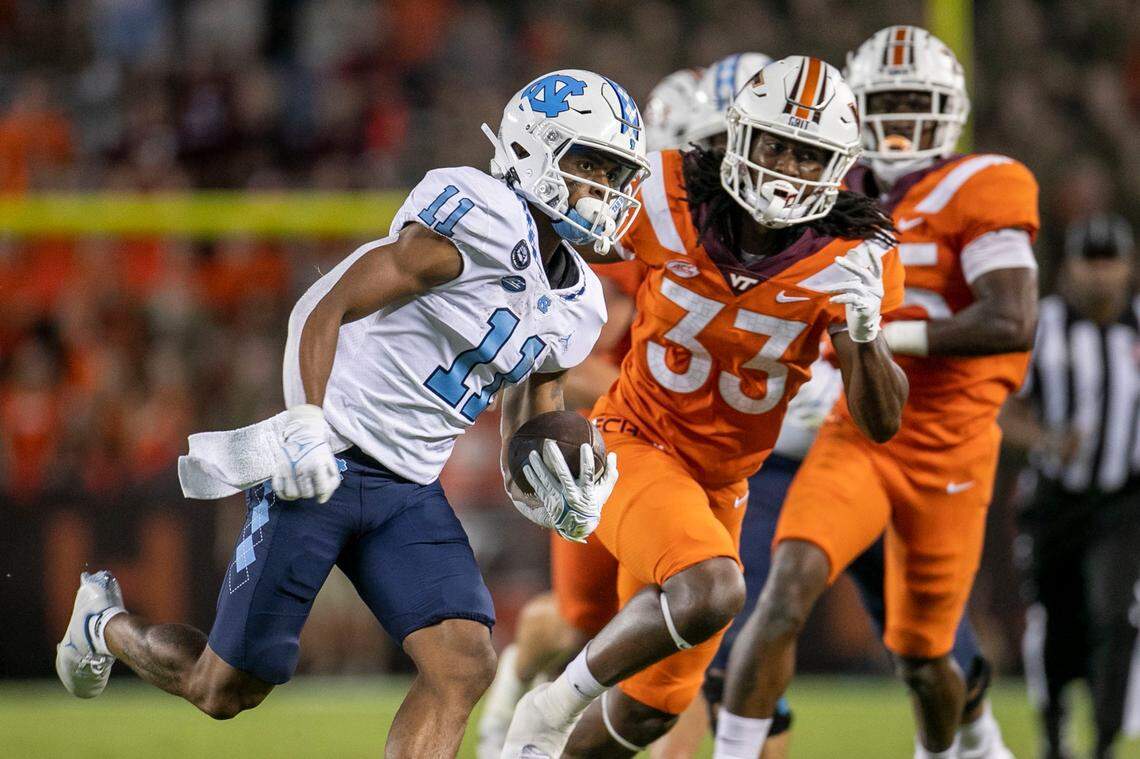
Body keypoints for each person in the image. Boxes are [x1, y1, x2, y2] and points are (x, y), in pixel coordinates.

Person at [53, 68, 648, 758]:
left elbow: (533, 412)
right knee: (224, 688)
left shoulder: (581, 305)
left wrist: (550, 492)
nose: (605, 188)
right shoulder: (480, 221)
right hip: (326, 459)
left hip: (410, 488)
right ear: (533, 148)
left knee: (462, 663)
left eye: (614, 172)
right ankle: (104, 625)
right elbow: (324, 302)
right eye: (590, 164)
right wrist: (305, 421)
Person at [500, 55, 910, 758]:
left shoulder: (852, 254)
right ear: (739, 135)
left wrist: (867, 335)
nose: (786, 168)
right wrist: (528, 400)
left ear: (838, 167)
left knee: (649, 713)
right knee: (715, 587)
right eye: (775, 144)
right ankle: (548, 709)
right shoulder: (667, 194)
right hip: (634, 439)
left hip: (723, 484)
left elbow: (881, 421)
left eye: (808, 155)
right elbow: (552, 259)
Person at [714, 26, 1039, 759]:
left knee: (926, 659)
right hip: (858, 428)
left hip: (949, 447)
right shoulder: (833, 188)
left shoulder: (985, 184)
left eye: (915, 103)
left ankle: (951, 747)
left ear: (950, 111)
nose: (898, 120)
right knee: (785, 590)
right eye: (885, 102)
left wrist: (890, 336)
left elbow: (1011, 319)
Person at [1003, 213, 1140, 759]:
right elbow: (1003, 408)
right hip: (1054, 499)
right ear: (1068, 269)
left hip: (1123, 500)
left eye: (1110, 261)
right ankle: (1055, 726)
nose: (1100, 274)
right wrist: (1045, 438)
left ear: (1129, 267)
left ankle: (1105, 738)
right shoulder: (1042, 327)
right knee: (1057, 617)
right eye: (1090, 261)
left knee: (1115, 613)